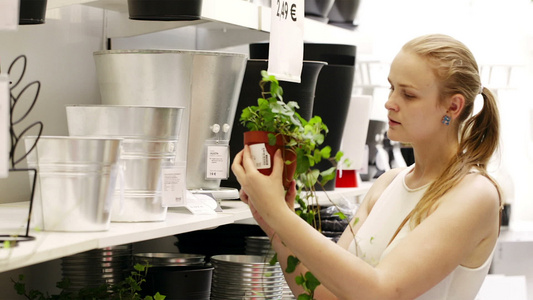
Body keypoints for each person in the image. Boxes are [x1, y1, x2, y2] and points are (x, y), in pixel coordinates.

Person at [231, 33, 502, 300]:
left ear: (453, 106)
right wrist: (276, 228)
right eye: (391, 88)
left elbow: (381, 291)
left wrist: (279, 214)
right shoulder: (387, 184)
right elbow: (327, 294)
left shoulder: (475, 194)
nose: (390, 103)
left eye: (408, 94)